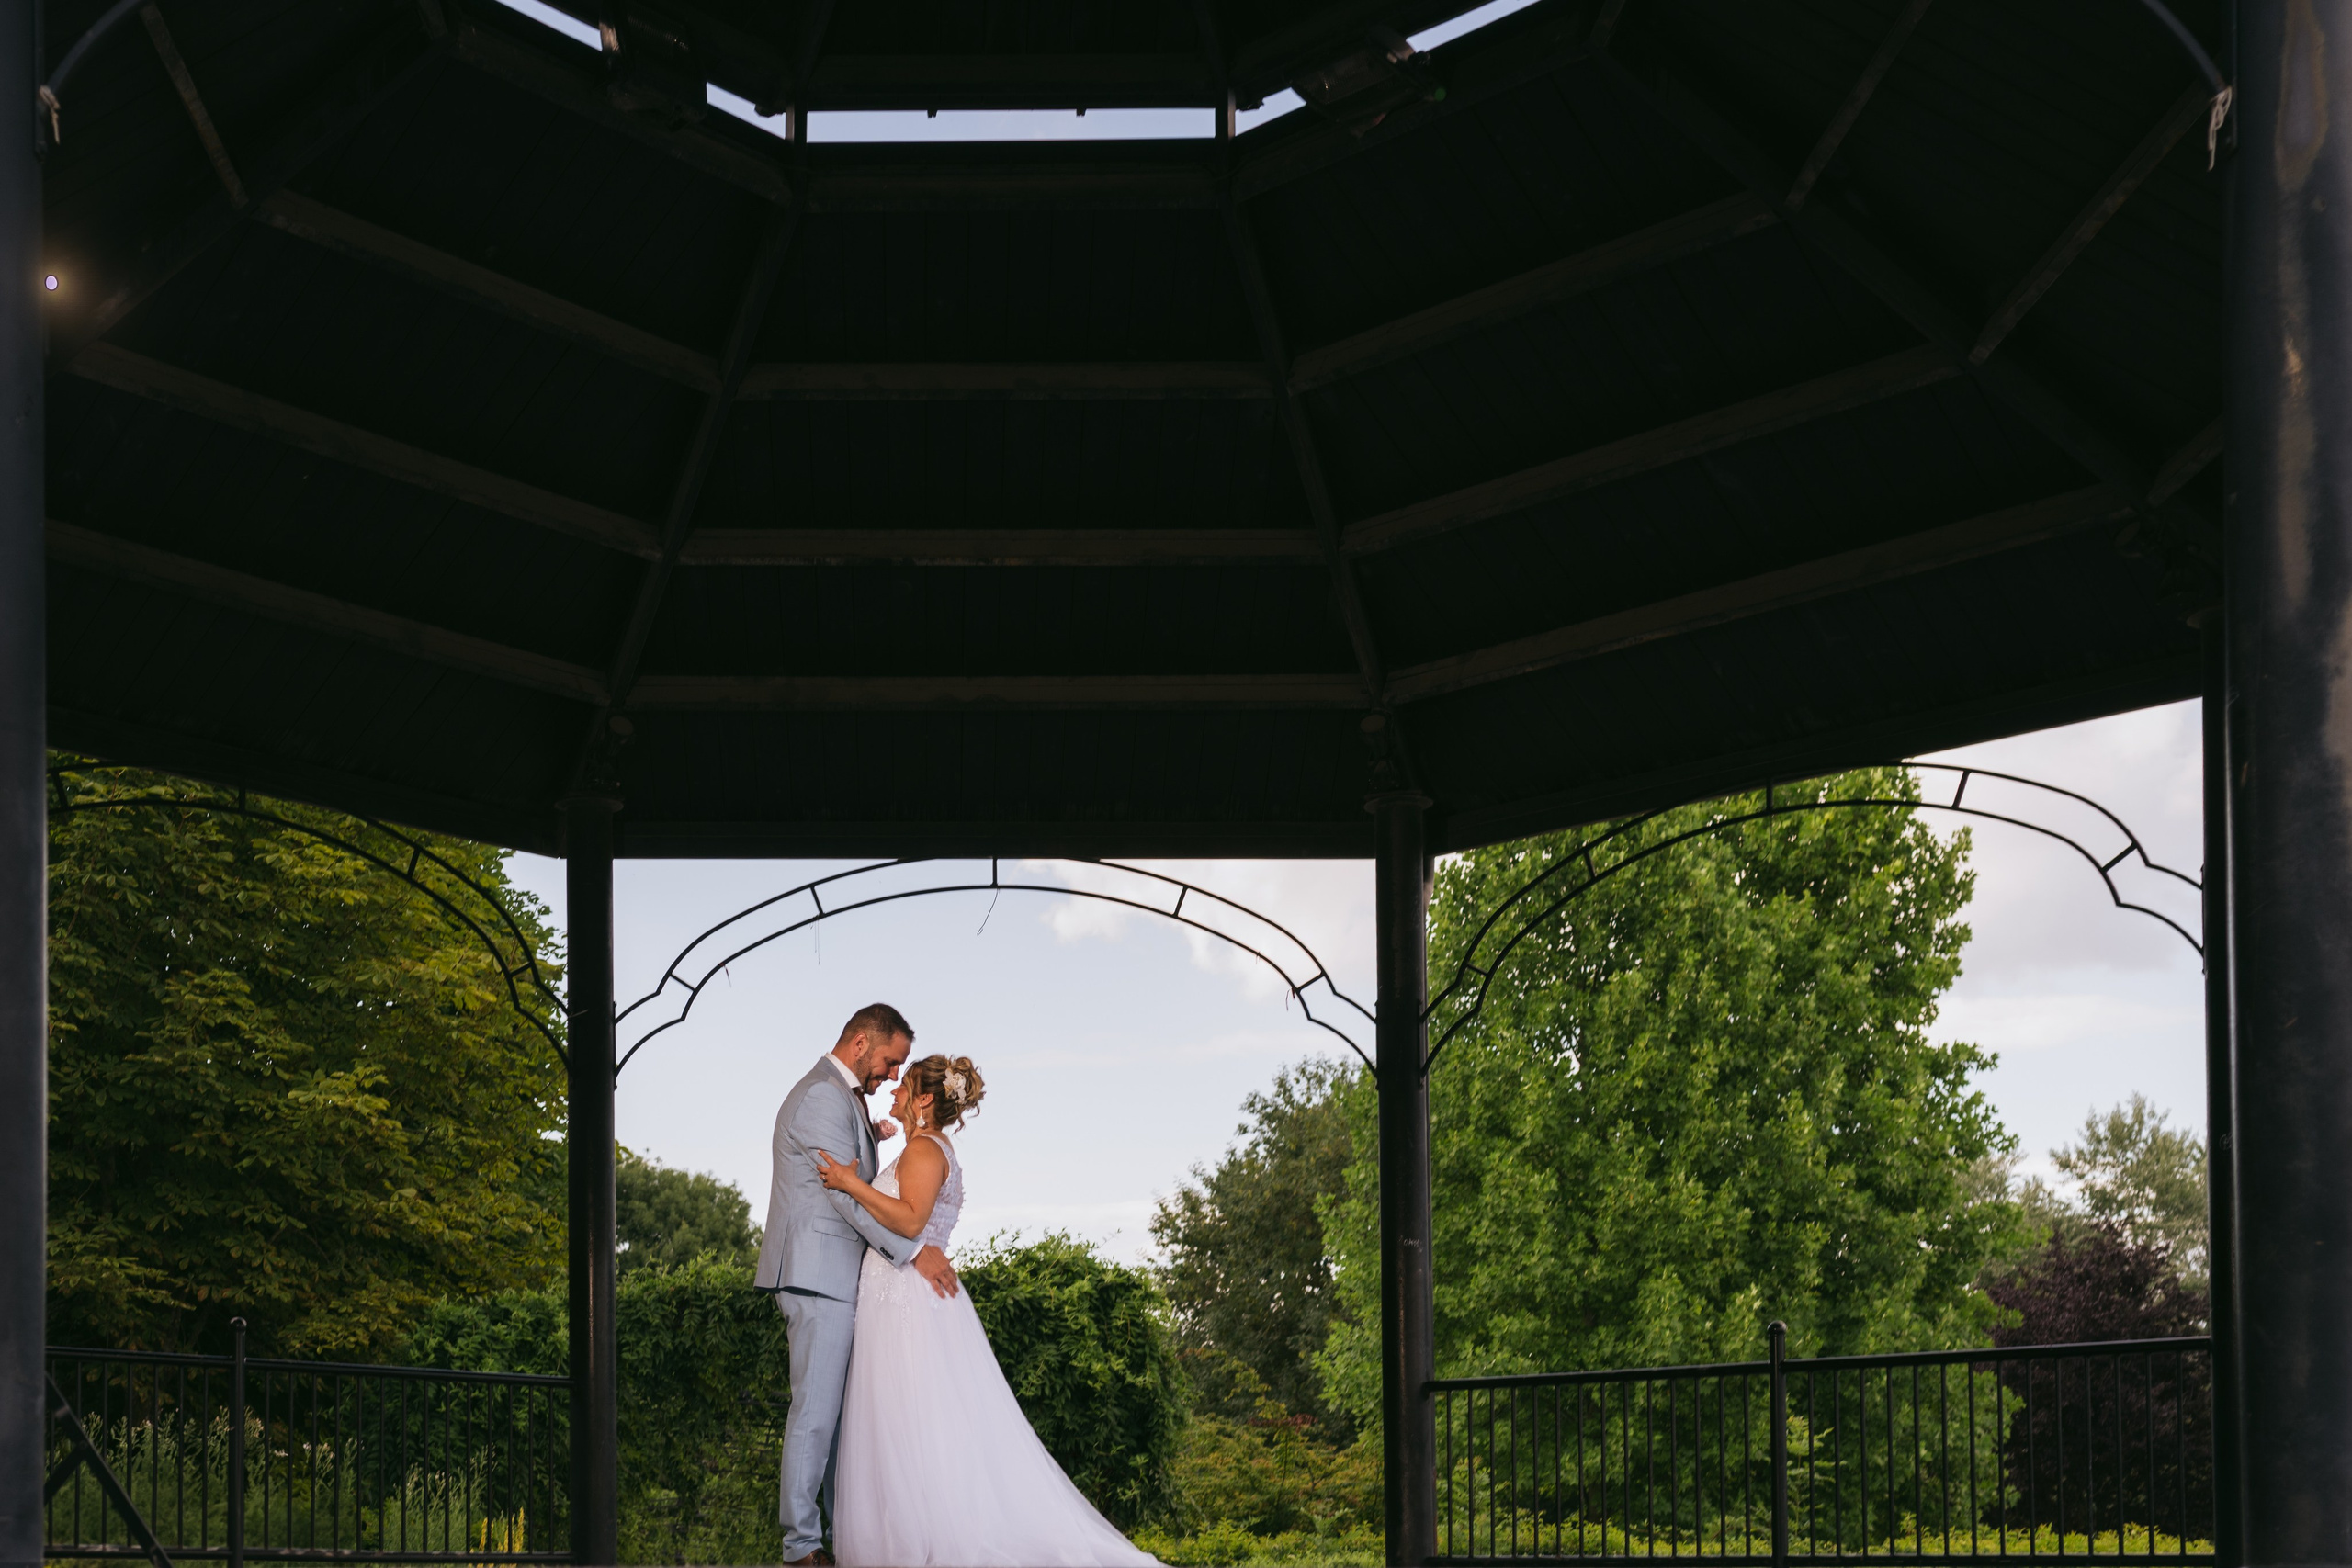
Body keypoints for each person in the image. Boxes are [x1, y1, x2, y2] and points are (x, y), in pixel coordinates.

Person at [815, 1053, 1160, 1568]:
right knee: (909, 1421)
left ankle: (924, 1542)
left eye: (905, 1086)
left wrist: (851, 1183)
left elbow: (910, 1222)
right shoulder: (922, 1147)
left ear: (924, 1099)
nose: (895, 1091)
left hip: (906, 1299)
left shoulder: (925, 1150)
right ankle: (908, 1537)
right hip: (901, 1293)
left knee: (910, 1420)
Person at [757, 1004, 963, 1567]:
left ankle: (841, 1539)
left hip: (841, 1278)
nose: (894, 1076)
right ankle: (801, 1549)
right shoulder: (823, 1097)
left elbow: (853, 1180)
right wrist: (915, 1252)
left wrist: (866, 1137)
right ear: (860, 1045)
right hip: (819, 1275)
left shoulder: (841, 1100)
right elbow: (844, 1197)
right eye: (891, 1062)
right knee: (816, 1414)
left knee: (842, 1423)